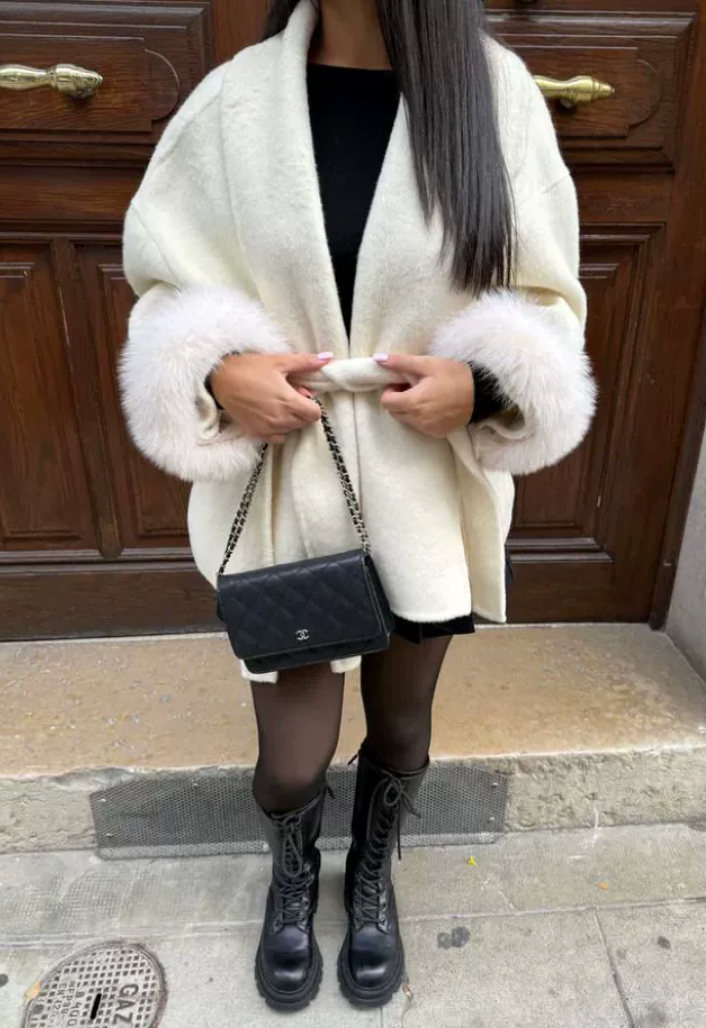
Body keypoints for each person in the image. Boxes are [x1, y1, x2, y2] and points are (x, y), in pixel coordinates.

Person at [120, 0, 596, 1013]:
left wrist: (485, 384)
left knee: (404, 724)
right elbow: (161, 284)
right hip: (285, 479)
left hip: (423, 485)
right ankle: (293, 877)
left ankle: (370, 878)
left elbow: (548, 300)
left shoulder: (493, 97)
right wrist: (218, 368)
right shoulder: (233, 103)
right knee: (291, 761)